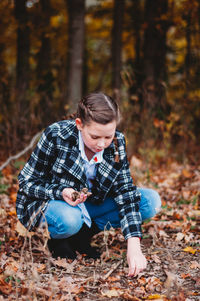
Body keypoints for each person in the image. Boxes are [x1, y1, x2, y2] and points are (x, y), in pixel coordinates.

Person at [16, 92, 161, 277]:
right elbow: (26, 182)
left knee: (149, 201)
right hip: (54, 205)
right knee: (69, 220)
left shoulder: (117, 143)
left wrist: (134, 244)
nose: (102, 144)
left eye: (108, 137)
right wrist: (61, 192)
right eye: (94, 137)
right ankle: (59, 239)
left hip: (91, 205)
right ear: (79, 125)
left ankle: (81, 236)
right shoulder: (56, 135)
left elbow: (125, 191)